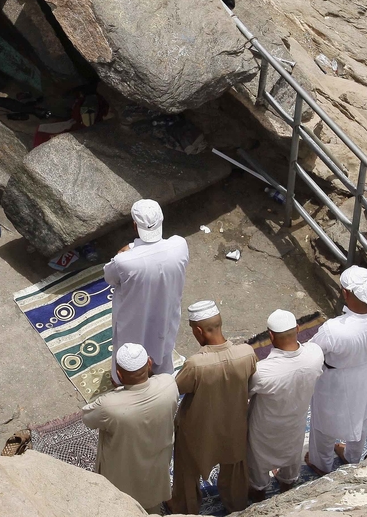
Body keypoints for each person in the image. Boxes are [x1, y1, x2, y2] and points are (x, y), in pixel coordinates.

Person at [307, 266, 367, 475]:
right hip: (365, 373)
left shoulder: (334, 329)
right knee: (361, 417)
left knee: (325, 423)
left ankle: (321, 464)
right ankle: (352, 456)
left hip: (334, 380)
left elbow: (312, 351)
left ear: (345, 293)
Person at [170, 300, 257, 515]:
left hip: (198, 432)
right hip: (234, 427)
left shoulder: (196, 365)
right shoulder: (246, 354)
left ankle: (185, 507)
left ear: (198, 331)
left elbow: (176, 389)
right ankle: (236, 505)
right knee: (235, 467)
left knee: (187, 472)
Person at [81, 343, 179, 512]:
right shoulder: (169, 384)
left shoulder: (108, 406)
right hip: (157, 466)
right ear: (149, 363)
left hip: (122, 474)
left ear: (119, 374)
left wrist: (117, 391)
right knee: (152, 504)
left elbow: (88, 419)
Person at [104, 199, 189, 384]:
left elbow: (110, 278)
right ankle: (162, 379)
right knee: (163, 344)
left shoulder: (124, 260)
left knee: (129, 354)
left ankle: (122, 382)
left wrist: (122, 253)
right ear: (161, 220)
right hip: (166, 312)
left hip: (134, 320)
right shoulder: (180, 245)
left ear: (135, 226)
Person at [246, 309, 325, 501]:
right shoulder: (315, 354)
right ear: (298, 328)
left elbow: (245, 393)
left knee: (257, 470)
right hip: (295, 424)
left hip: (264, 431)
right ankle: (287, 494)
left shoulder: (262, 372)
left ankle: (258, 499)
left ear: (271, 335)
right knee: (291, 461)